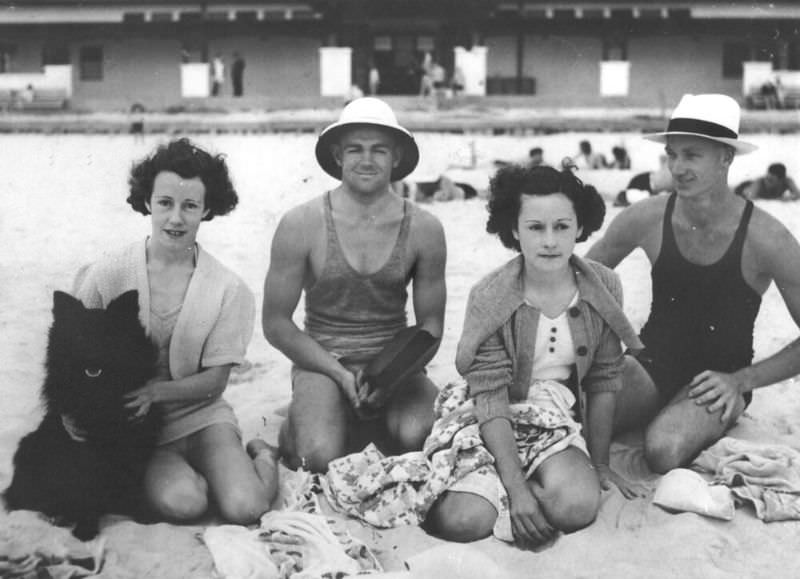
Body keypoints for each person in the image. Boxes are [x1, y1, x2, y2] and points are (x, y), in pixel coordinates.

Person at [425, 164, 645, 548]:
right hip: (492, 413)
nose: (549, 241)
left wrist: (602, 463)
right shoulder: (489, 295)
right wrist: (518, 490)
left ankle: (515, 487)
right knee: (463, 522)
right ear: (514, 229)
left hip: (556, 417)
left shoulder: (604, 285)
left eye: (561, 227)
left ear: (580, 228)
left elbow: (604, 377)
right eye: (535, 227)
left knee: (577, 507)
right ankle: (500, 486)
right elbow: (490, 396)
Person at [586, 93, 800, 474]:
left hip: (721, 375)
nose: (678, 167)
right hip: (653, 360)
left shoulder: (768, 237)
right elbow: (579, 279)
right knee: (583, 422)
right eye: (672, 154)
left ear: (725, 157)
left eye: (691, 155)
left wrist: (741, 380)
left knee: (663, 449)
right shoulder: (647, 217)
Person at [73, 139, 278, 524]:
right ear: (147, 202)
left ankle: (263, 456)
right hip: (142, 430)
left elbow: (216, 382)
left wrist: (155, 391)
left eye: (190, 206)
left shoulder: (228, 288)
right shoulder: (108, 273)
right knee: (184, 504)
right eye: (165, 203)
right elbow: (73, 352)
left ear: (208, 209)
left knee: (247, 508)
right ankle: (199, 480)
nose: (176, 219)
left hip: (205, 417)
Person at [262, 97, 447, 473]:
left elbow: (432, 326)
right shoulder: (301, 223)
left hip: (394, 364)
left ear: (396, 157)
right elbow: (276, 322)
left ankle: (361, 421)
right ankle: (294, 429)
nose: (367, 160)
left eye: (379, 149)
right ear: (338, 155)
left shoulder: (425, 228)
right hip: (323, 361)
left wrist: (391, 378)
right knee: (316, 456)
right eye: (355, 149)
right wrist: (338, 374)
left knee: (422, 436)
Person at [735, 162, 800, 201]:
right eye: (766, 178)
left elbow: (798, 195)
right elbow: (750, 197)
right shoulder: (760, 182)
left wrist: (788, 198)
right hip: (745, 187)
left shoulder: (787, 181)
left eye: (771, 180)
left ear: (781, 180)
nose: (766, 181)